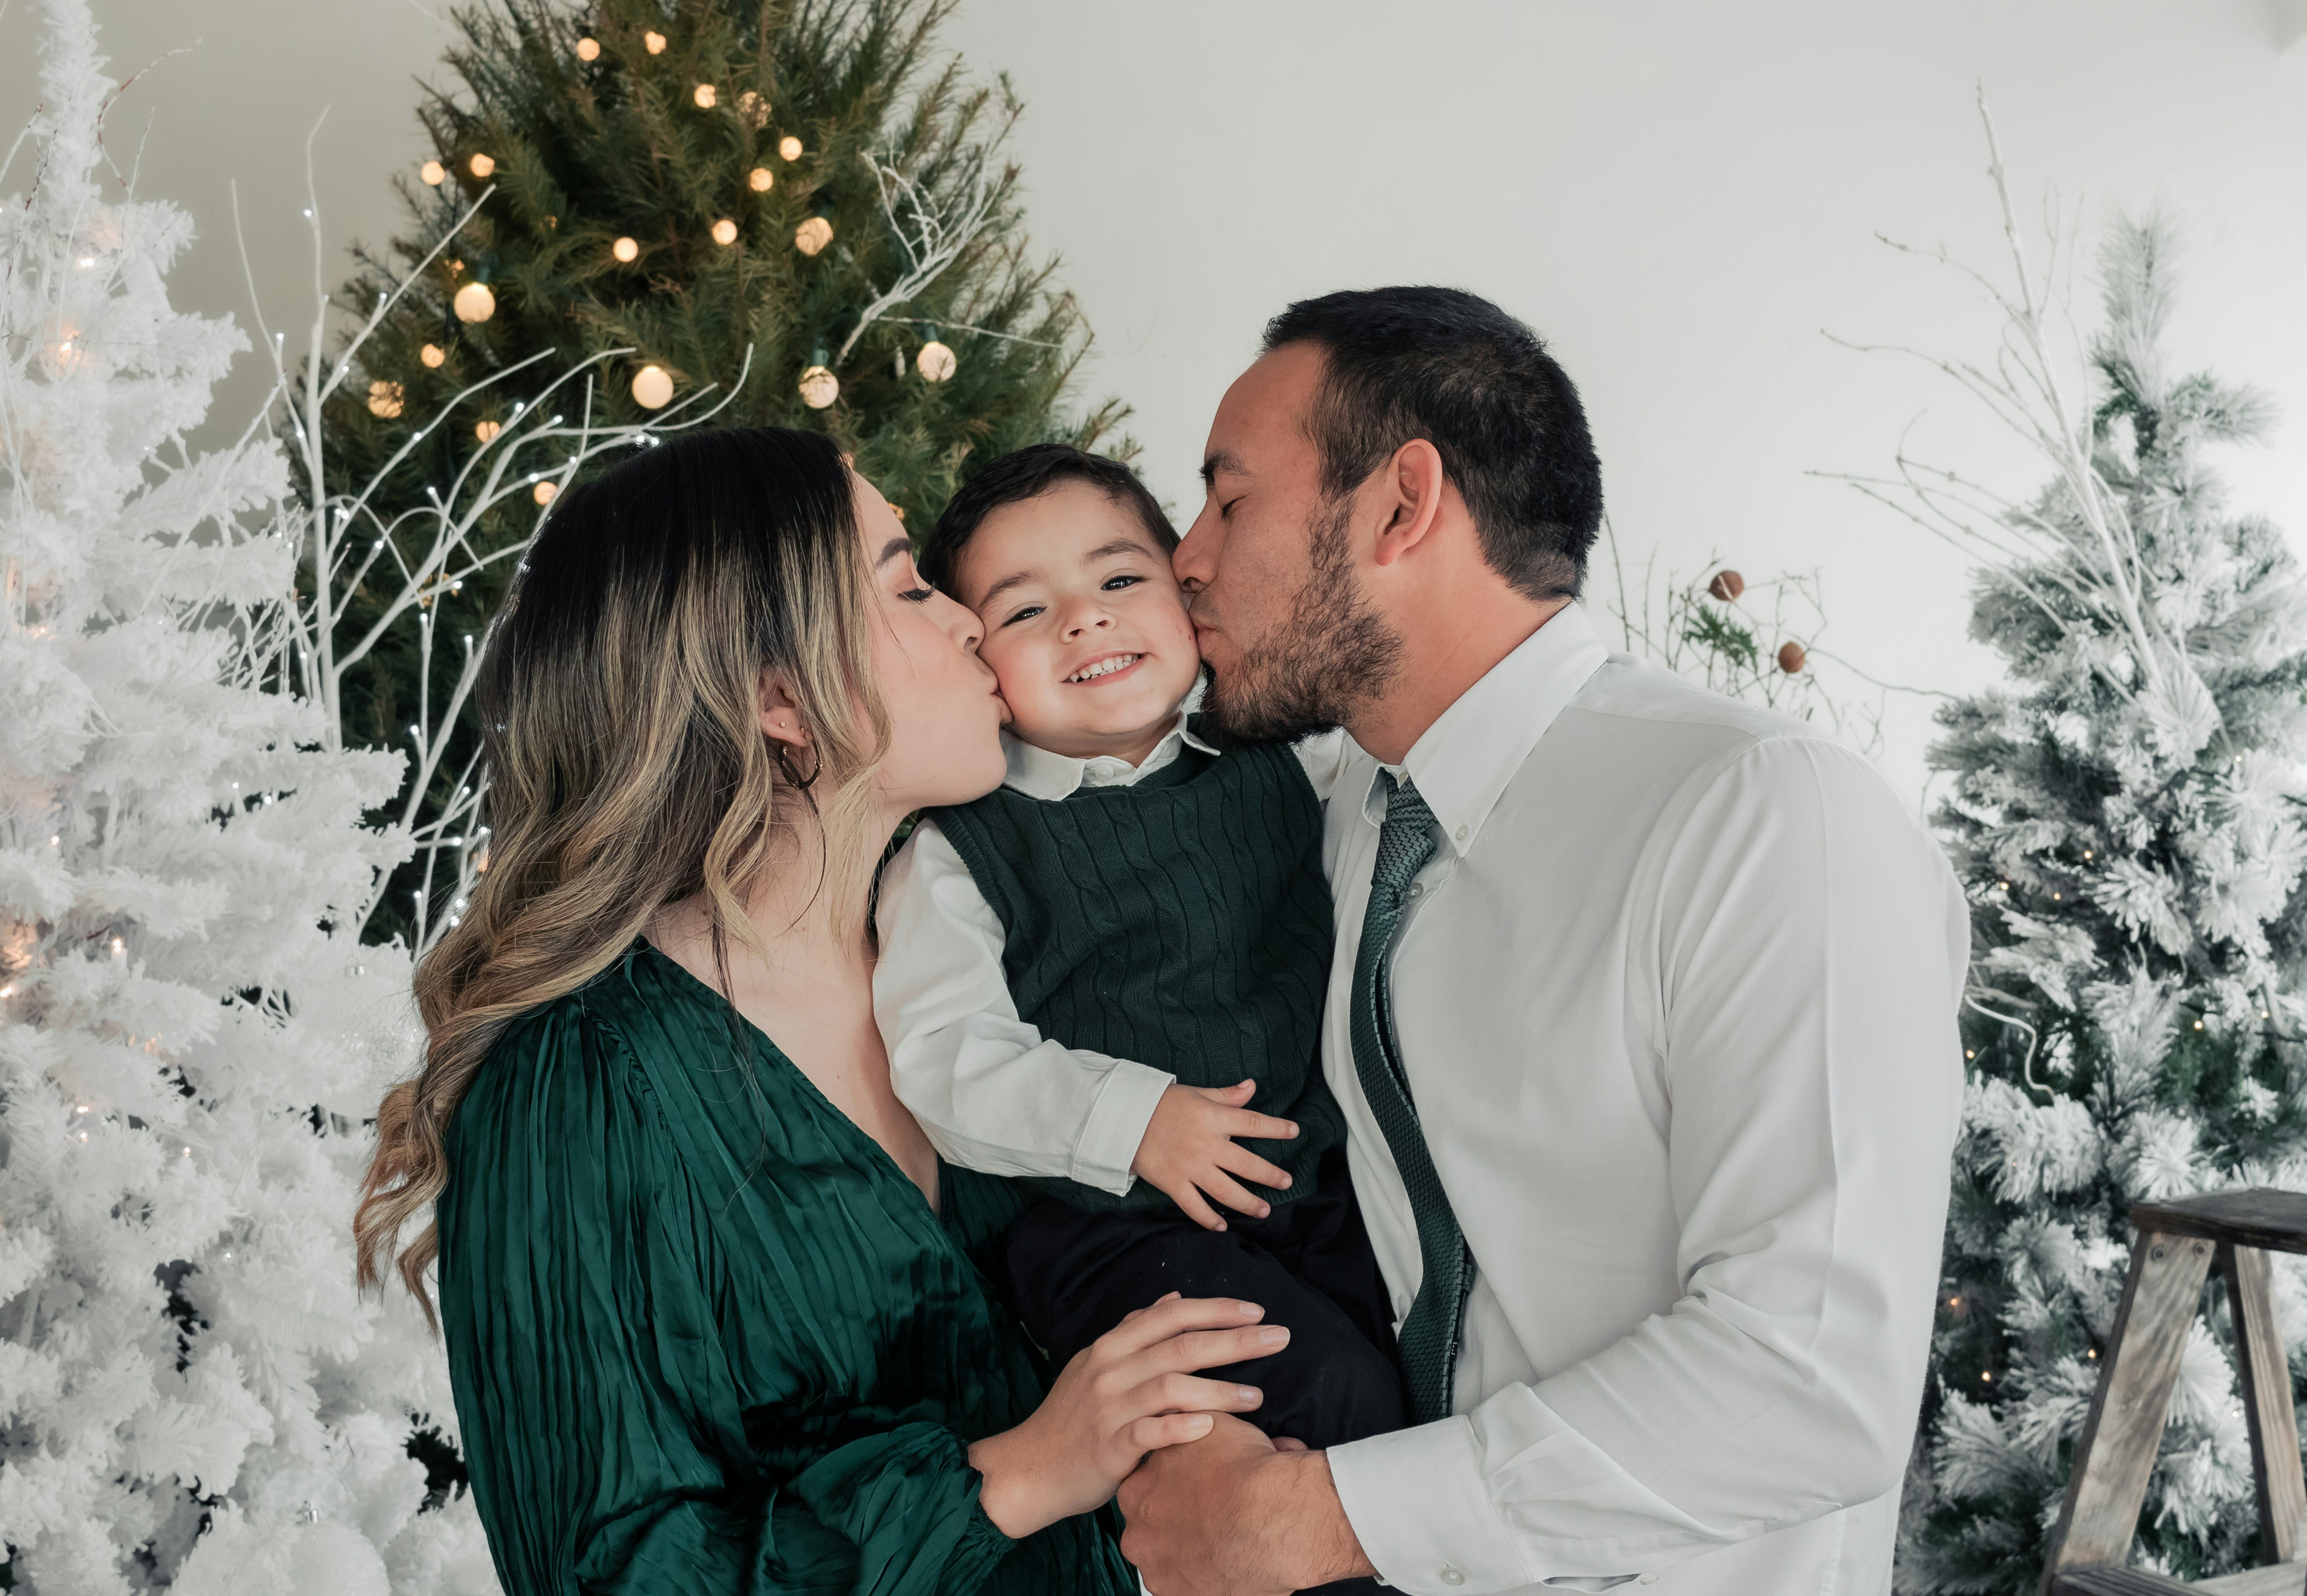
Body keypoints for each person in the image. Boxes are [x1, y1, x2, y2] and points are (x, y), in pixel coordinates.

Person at [1114, 288, 1971, 1596]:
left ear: (1401, 504)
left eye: (1228, 502)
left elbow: (1808, 1380)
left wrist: (1316, 1521)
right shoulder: (1350, 811)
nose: (1184, 556)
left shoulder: (1766, 818)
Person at [351, 428, 1295, 1596]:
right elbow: (610, 1571)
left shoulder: (987, 959)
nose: (966, 622)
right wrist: (1013, 1474)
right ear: (781, 697)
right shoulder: (580, 1086)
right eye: (906, 587)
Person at [871, 444, 1402, 1458]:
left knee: (1419, 1374)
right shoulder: (962, 847)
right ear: (978, 661)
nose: (1084, 618)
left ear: (1185, 592)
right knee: (1330, 1396)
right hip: (1106, 1226)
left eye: (1120, 580)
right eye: (1024, 611)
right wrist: (1133, 1119)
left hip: (1312, 1183)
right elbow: (945, 1058)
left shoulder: (1293, 757)